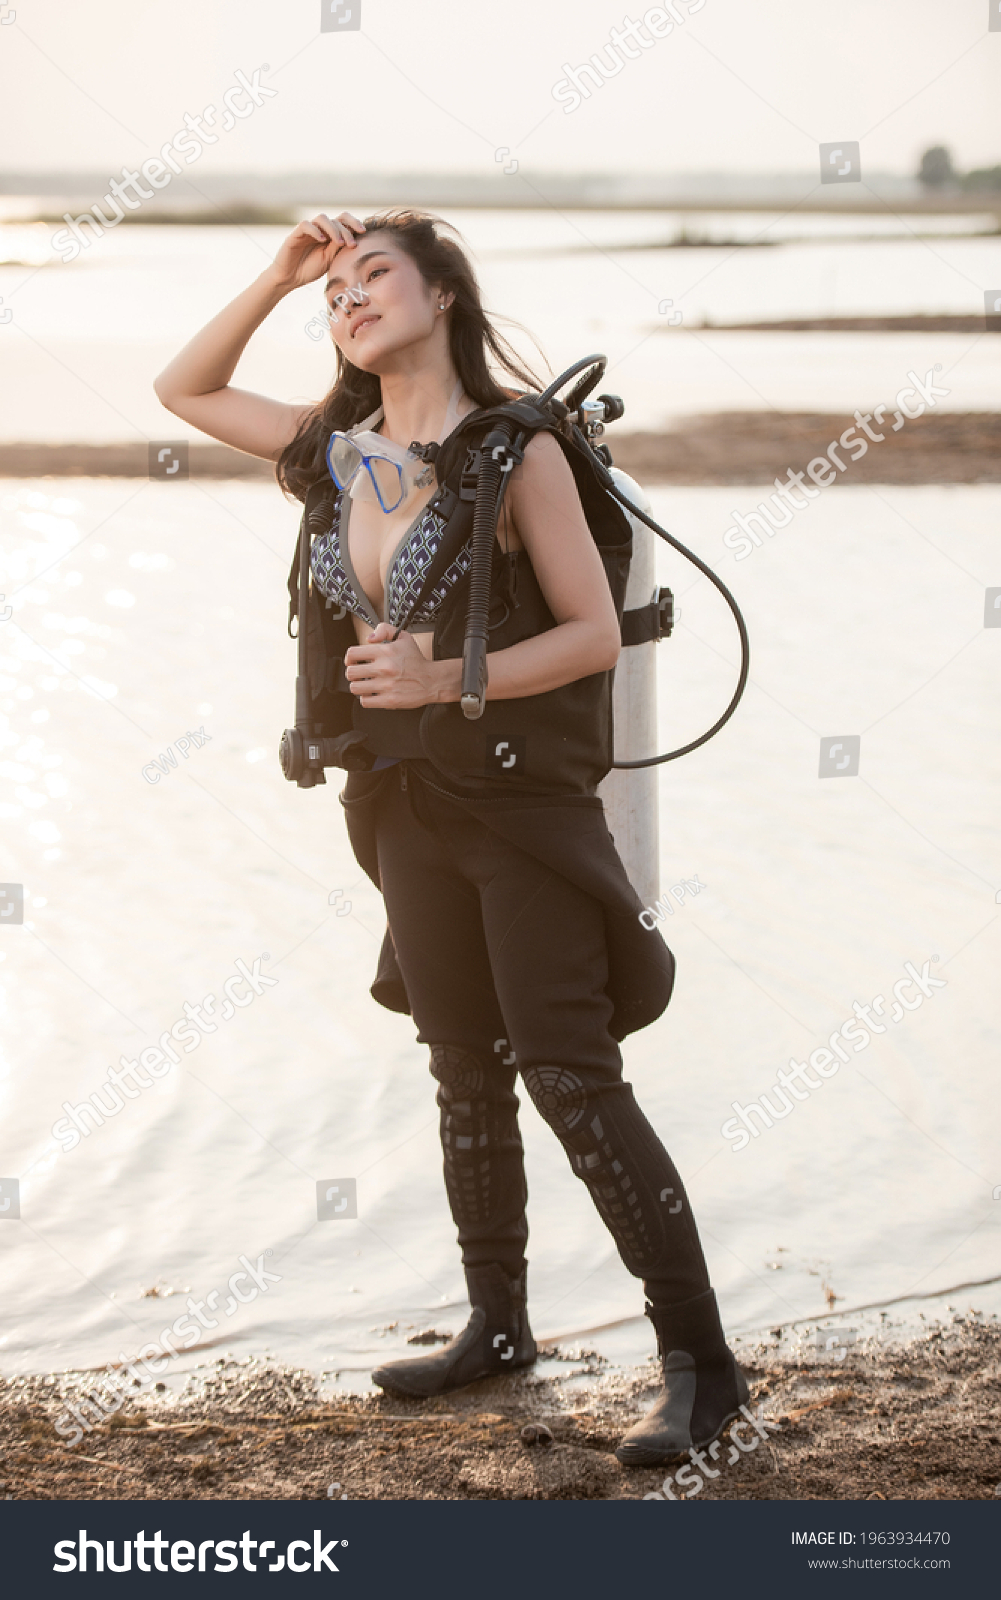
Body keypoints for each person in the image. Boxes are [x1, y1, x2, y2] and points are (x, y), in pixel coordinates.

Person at [153, 206, 749, 1468]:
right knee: (459, 1066)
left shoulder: (510, 447)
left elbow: (590, 632)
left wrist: (446, 682)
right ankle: (497, 1324)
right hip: (397, 805)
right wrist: (275, 272)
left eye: (374, 278)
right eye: (335, 293)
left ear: (443, 300)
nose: (348, 299)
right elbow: (184, 387)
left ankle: (702, 1362)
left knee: (568, 1075)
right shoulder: (340, 450)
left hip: (520, 809)